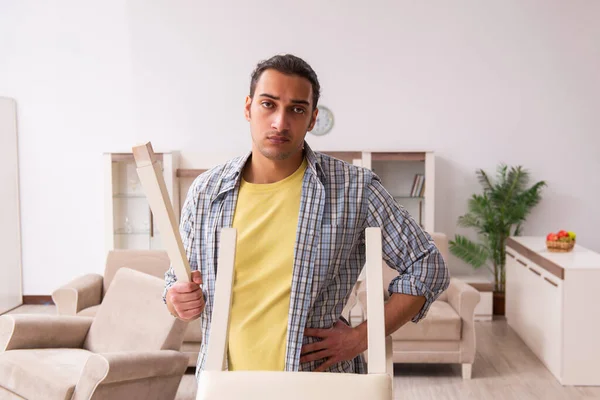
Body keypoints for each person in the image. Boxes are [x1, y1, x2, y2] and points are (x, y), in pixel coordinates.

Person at [163, 54, 450, 377]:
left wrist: (359, 338)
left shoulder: (354, 188)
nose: (280, 122)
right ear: (248, 108)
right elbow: (177, 282)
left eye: (297, 109)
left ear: (312, 119)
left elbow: (428, 266)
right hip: (223, 384)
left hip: (319, 383)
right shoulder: (206, 191)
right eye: (268, 105)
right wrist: (177, 300)